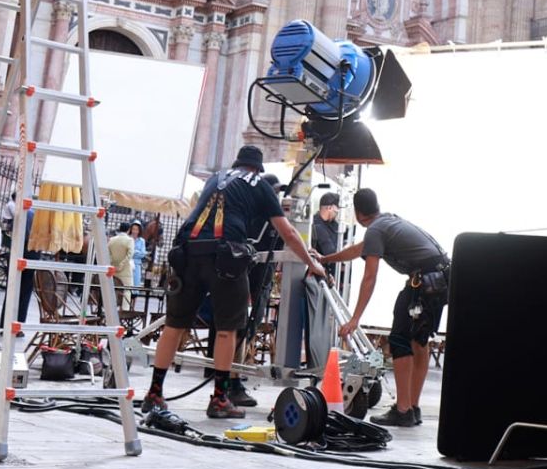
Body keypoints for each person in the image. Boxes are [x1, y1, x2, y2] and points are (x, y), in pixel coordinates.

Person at [147, 146, 323, 420]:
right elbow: (287, 231)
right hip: (226, 259)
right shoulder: (261, 185)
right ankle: (219, 399)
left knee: (174, 326)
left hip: (187, 252)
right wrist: (312, 263)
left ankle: (154, 393)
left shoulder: (215, 178)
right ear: (258, 169)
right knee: (228, 329)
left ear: (237, 163)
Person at [322, 188, 449, 427]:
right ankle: (412, 407)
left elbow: (370, 277)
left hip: (424, 283)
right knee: (419, 342)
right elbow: (359, 250)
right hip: (442, 280)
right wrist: (325, 259)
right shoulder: (387, 221)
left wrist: (354, 319)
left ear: (358, 214)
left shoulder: (376, 230)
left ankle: (402, 411)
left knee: (400, 340)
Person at [311, 191, 342, 257]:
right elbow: (332, 254)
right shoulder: (317, 226)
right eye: (337, 209)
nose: (337, 213)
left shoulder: (332, 223)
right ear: (329, 208)